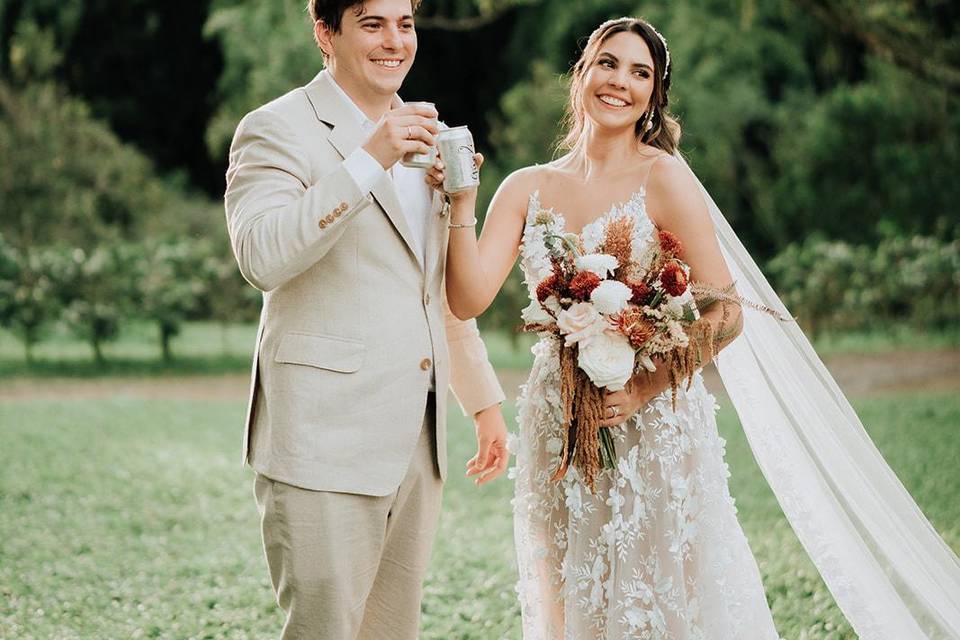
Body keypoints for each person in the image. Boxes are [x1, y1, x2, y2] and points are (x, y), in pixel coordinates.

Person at [430, 15, 960, 640]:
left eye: (640, 73)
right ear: (582, 73)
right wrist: (462, 205)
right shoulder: (524, 187)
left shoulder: (664, 177)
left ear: (654, 96)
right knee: (571, 599)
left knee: (663, 601)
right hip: (559, 421)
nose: (620, 82)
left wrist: (645, 387)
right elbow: (466, 299)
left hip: (652, 423)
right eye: (608, 63)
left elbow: (727, 311)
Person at [223, 0, 510, 638]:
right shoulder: (275, 128)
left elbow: (428, 289)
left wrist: (484, 404)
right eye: (372, 23)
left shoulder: (431, 136)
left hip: (415, 439)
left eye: (404, 24)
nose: (394, 41)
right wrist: (365, 160)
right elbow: (262, 256)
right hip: (322, 439)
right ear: (325, 32)